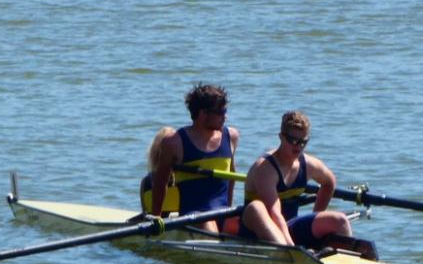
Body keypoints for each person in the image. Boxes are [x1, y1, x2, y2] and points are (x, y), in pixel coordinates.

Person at [240, 111, 356, 253]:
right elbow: (275, 214)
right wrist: (294, 249)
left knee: (340, 220)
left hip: (289, 226)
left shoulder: (309, 165)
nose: (298, 146)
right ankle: (289, 253)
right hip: (258, 228)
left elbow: (329, 182)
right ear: (281, 137)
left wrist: (316, 215)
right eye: (293, 141)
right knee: (256, 207)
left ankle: (348, 259)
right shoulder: (265, 169)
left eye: (303, 142)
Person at [141, 83, 239, 233]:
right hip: (194, 217)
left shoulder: (231, 136)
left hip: (223, 213)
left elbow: (232, 178)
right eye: (221, 111)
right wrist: (156, 219)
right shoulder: (174, 142)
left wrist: (229, 212)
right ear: (203, 114)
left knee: (253, 212)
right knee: (207, 222)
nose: (225, 116)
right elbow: (160, 183)